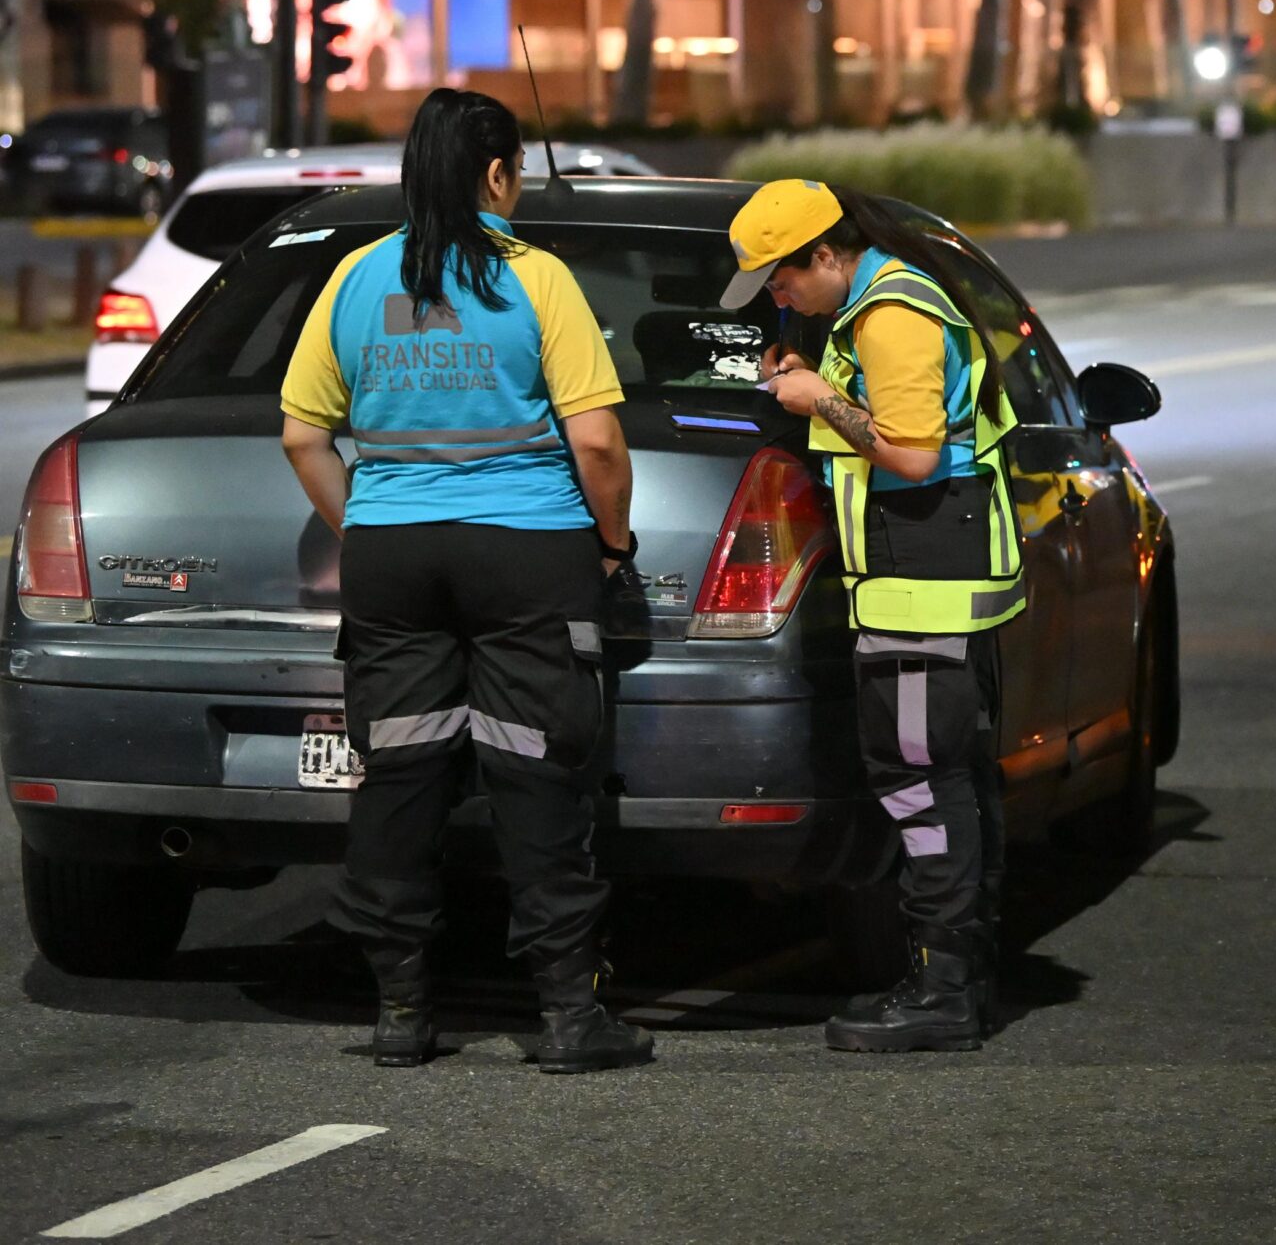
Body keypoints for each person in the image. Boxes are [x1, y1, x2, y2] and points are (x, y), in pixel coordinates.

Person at [280, 88, 652, 1074]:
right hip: (526, 549)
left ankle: (402, 1009)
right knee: (535, 769)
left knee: (400, 773)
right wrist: (612, 545)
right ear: (495, 173)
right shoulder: (536, 278)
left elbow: (302, 435)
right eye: (516, 170)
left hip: (392, 555)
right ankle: (568, 1014)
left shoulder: (358, 276)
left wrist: (366, 523)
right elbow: (598, 441)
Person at [721, 179, 1024, 1053]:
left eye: (782, 280)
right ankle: (960, 977)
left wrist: (818, 399)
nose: (780, 299)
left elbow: (915, 455)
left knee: (920, 780)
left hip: (923, 584)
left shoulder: (892, 313)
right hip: (922, 578)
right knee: (948, 780)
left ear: (825, 254)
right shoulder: (874, 303)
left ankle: (943, 990)